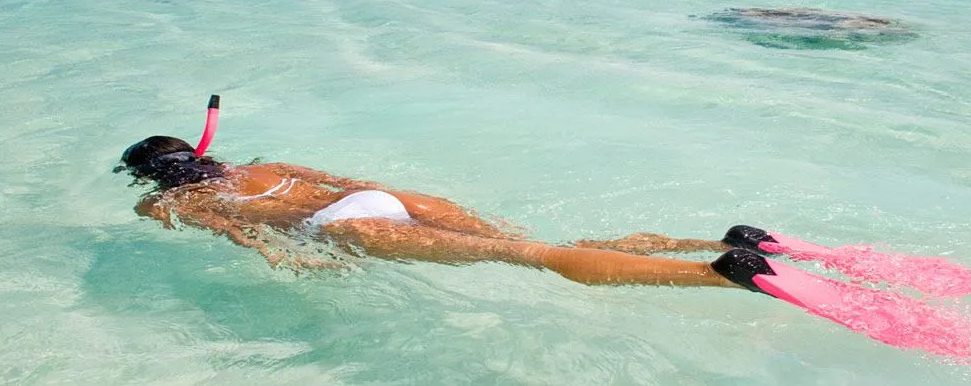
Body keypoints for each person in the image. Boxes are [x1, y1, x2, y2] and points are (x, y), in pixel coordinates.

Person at [119, 135, 779, 291]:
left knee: (525, 257)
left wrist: (285, 257)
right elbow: (356, 180)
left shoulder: (169, 200)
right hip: (393, 201)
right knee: (538, 240)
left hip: (343, 226)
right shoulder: (264, 163)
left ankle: (715, 272)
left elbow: (236, 230)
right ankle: (727, 239)